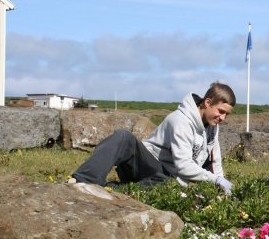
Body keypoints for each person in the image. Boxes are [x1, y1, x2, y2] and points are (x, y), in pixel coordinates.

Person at [70, 82, 235, 195]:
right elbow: (184, 166)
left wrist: (222, 189)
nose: (223, 118)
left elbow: (215, 163)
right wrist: (216, 180)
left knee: (170, 187)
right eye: (221, 111)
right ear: (207, 102)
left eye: (227, 114)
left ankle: (112, 190)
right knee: (123, 137)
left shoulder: (212, 128)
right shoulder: (180, 121)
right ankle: (83, 180)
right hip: (147, 166)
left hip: (167, 179)